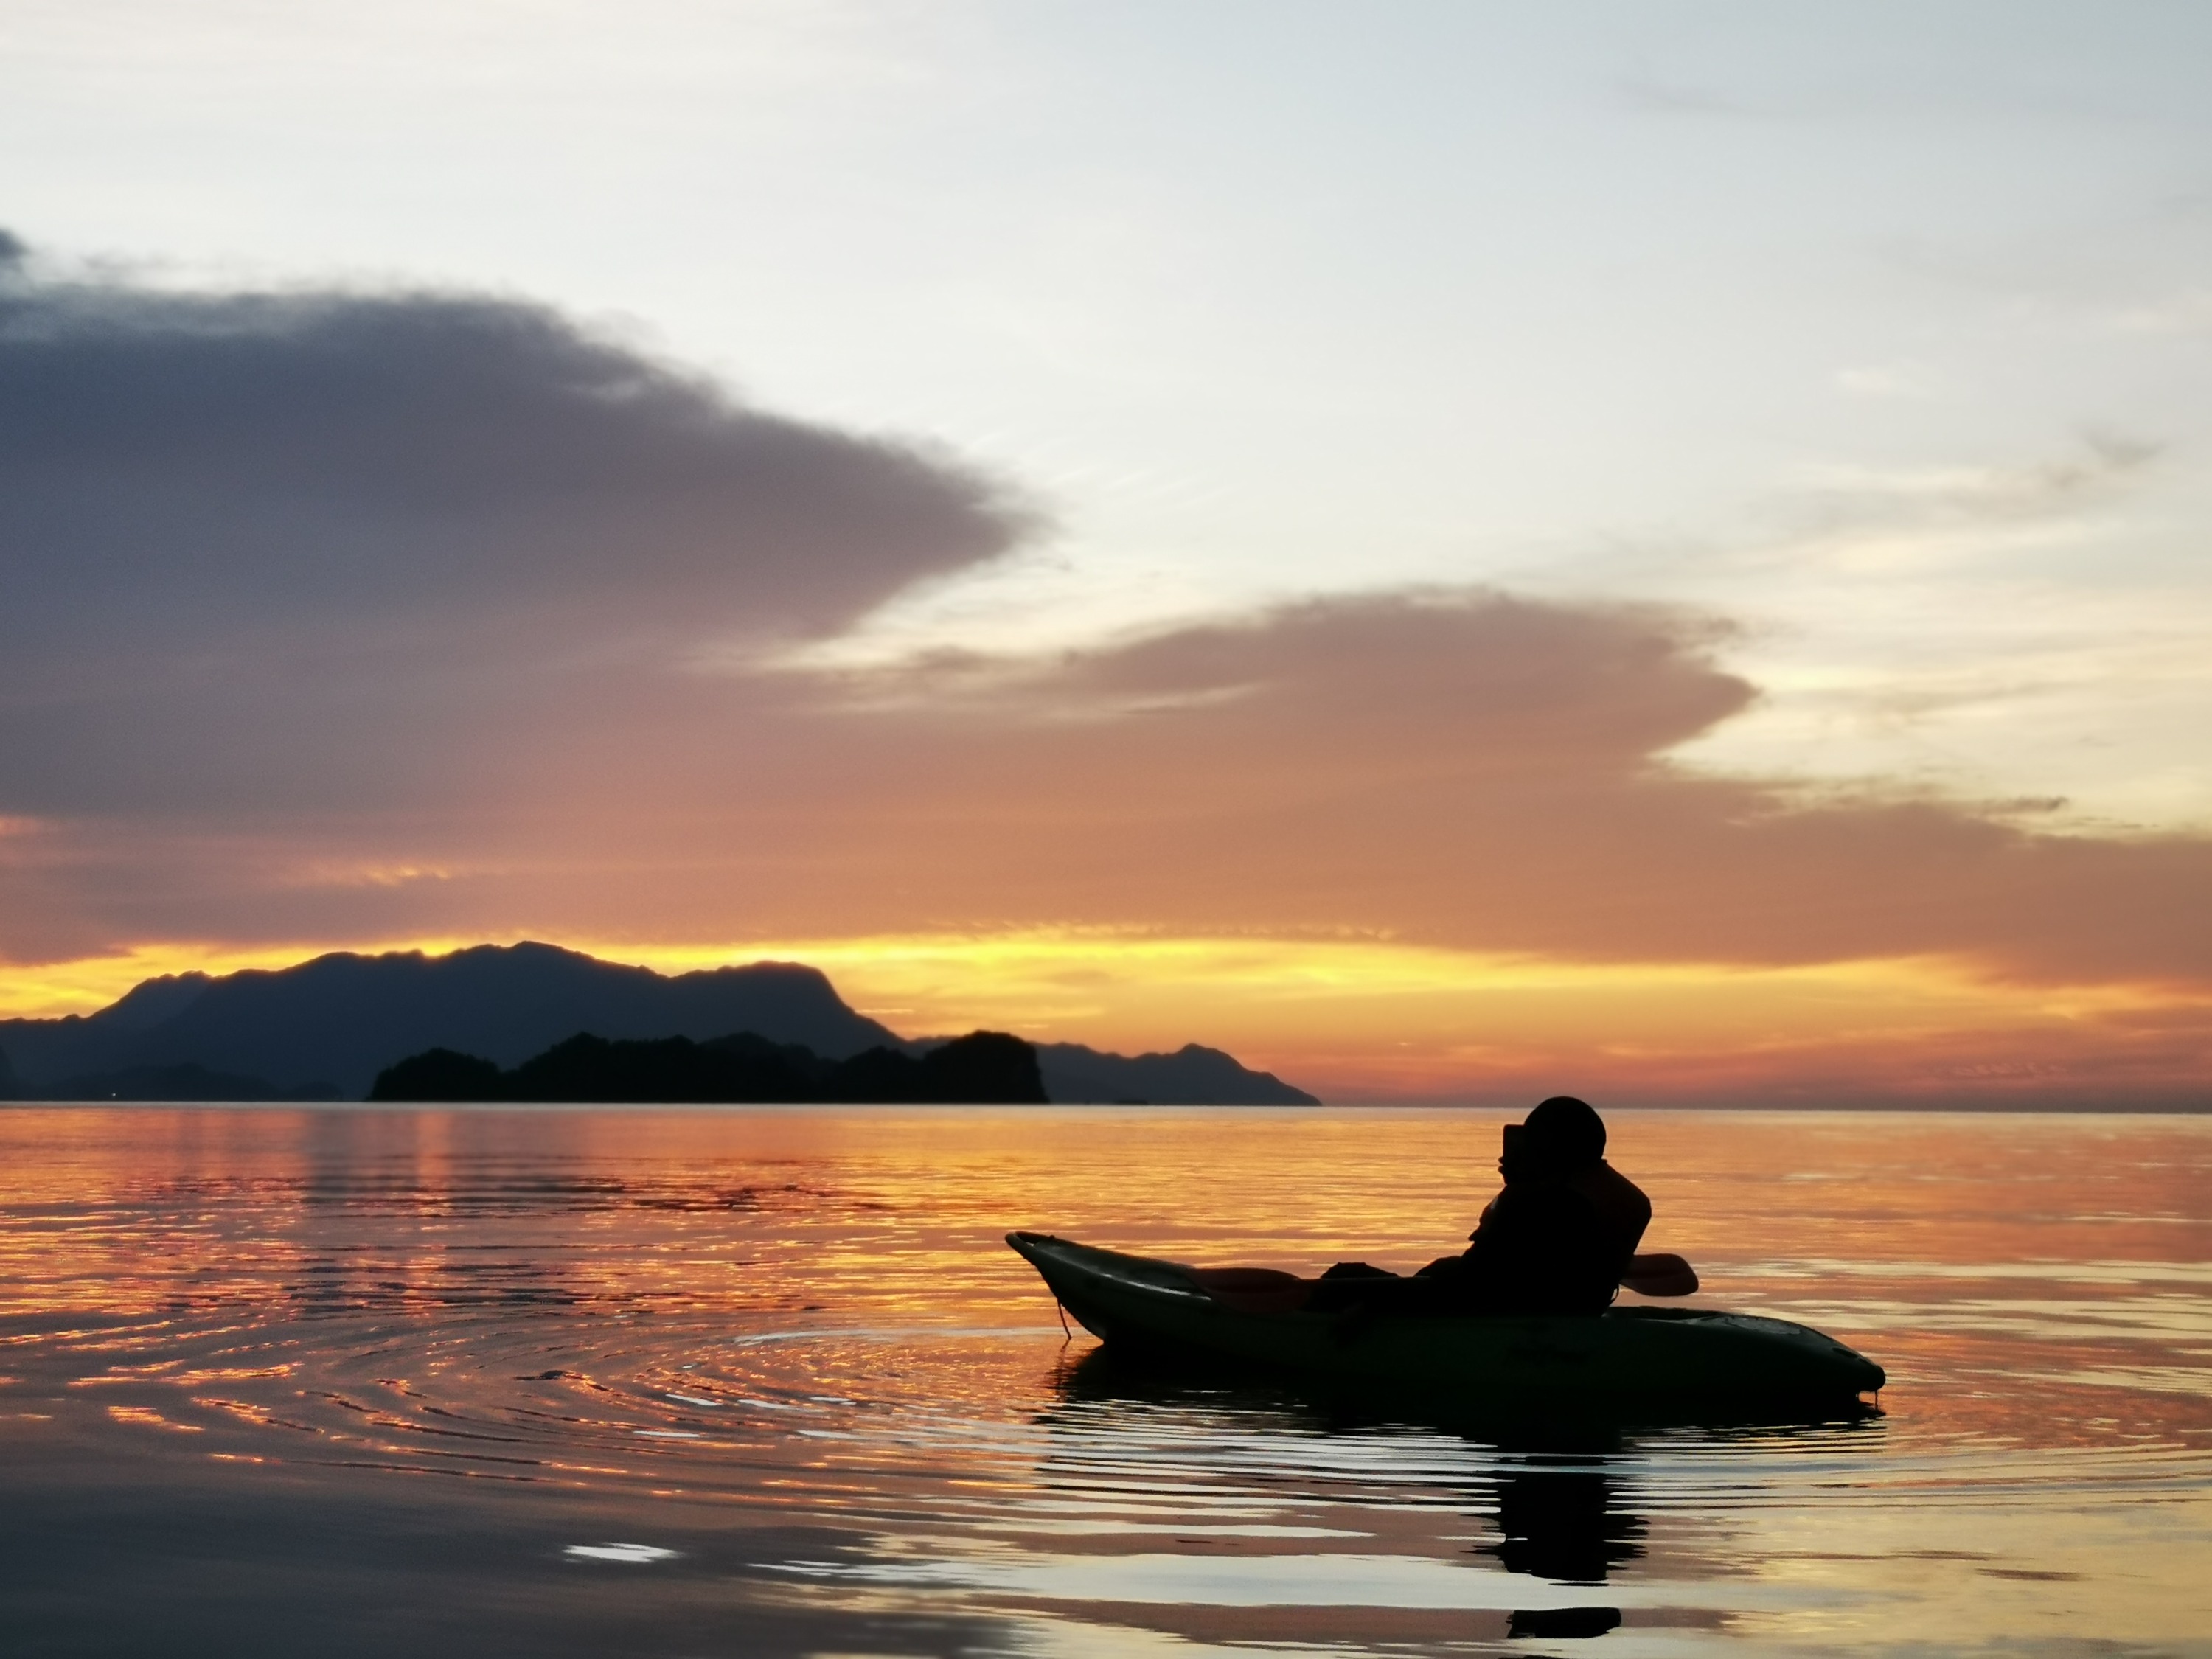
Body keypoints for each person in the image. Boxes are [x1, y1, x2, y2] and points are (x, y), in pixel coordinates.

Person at [1312, 1096, 1657, 1317]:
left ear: (1553, 1147)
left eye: (1535, 1140)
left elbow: (1473, 1281)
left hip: (1499, 1315)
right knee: (1437, 1267)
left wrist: (1377, 1305)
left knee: (1344, 1274)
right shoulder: (1623, 1195)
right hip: (1568, 1309)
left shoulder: (1546, 1201)